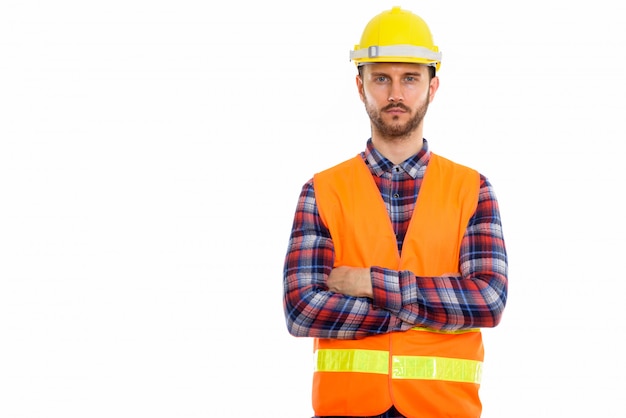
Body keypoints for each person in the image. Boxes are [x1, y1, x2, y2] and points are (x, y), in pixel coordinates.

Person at [282, 6, 508, 418]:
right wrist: (425, 310)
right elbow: (301, 309)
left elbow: (488, 301)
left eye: (410, 78)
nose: (395, 94)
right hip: (347, 408)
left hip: (444, 409)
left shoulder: (472, 189)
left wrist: (370, 283)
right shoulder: (322, 190)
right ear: (360, 85)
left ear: (433, 86)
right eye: (381, 78)